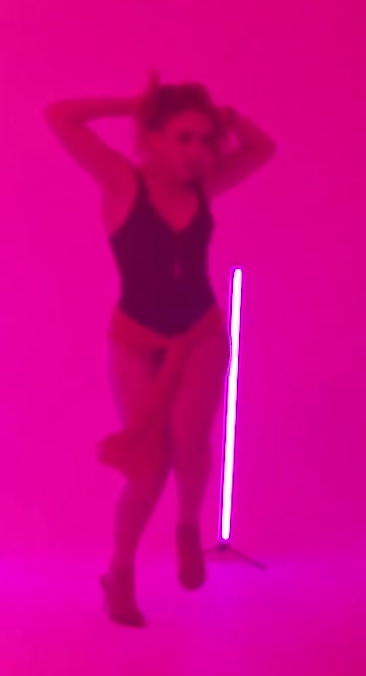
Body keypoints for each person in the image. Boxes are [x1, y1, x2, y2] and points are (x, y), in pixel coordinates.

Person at [45, 74, 274, 627]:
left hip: (199, 333)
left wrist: (227, 119)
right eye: (183, 138)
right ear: (153, 138)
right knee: (148, 467)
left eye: (204, 140)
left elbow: (262, 148)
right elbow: (60, 115)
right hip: (136, 338)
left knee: (191, 443)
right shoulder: (122, 181)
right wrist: (134, 104)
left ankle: (187, 526)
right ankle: (119, 572)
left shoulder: (204, 186)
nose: (196, 151)